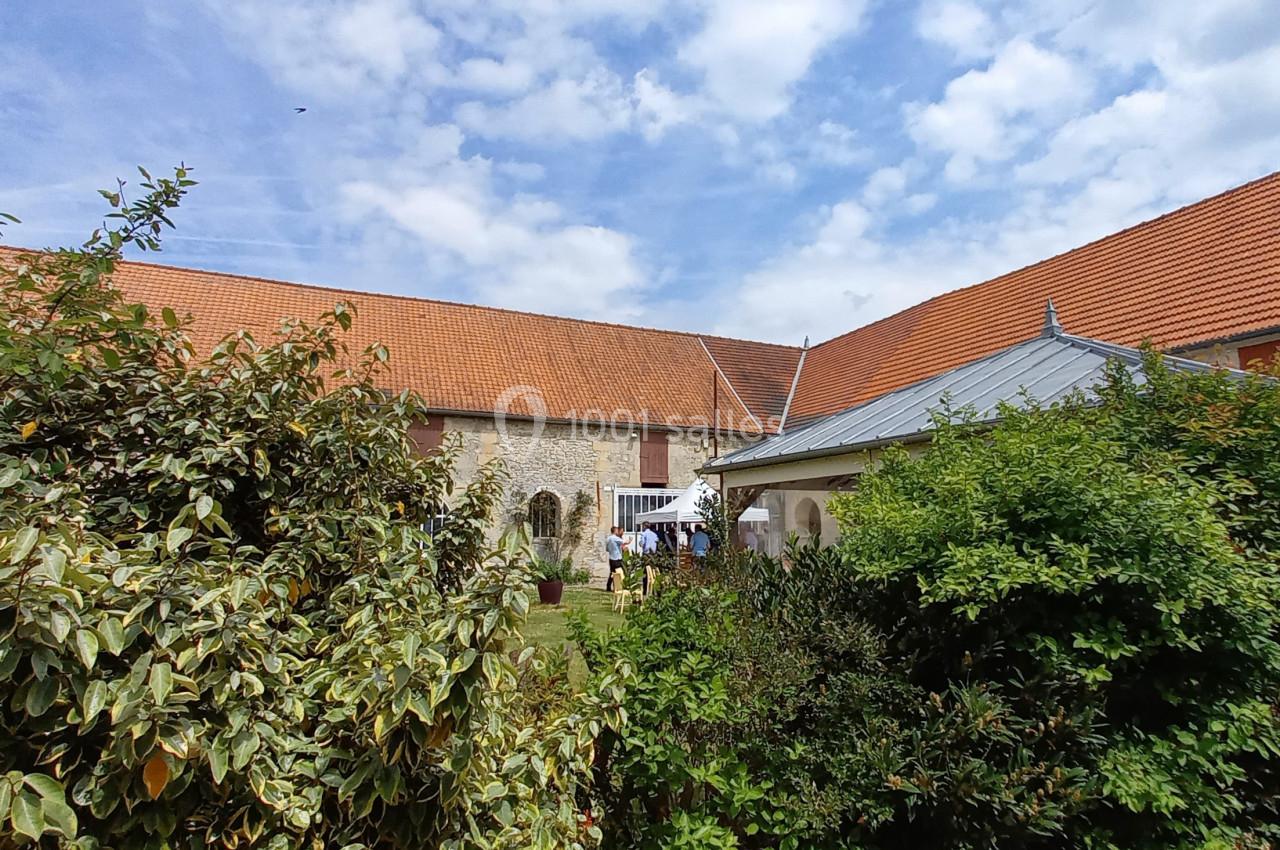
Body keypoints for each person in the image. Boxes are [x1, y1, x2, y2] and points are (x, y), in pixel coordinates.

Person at [605, 525, 628, 591]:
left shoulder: (608, 538)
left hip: (611, 558)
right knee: (620, 572)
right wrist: (629, 541)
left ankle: (608, 586)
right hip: (617, 558)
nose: (618, 532)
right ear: (615, 531)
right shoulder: (615, 538)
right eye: (617, 530)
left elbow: (607, 549)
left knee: (612, 573)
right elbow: (624, 542)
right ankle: (617, 587)